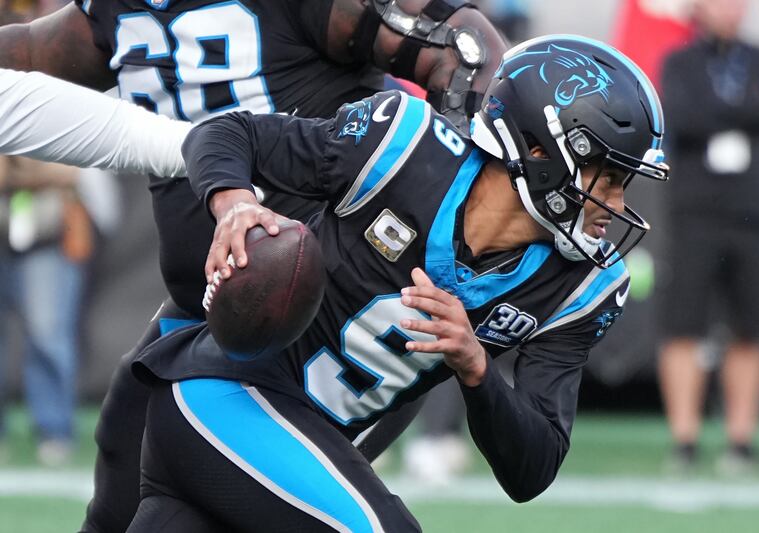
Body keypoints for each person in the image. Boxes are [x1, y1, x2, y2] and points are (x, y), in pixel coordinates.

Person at [124, 35, 668, 531]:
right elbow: (227, 133)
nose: (616, 206)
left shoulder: (584, 288)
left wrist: (478, 371)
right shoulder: (401, 146)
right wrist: (235, 204)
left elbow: (533, 469)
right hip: (221, 398)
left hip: (299, 449)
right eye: (610, 176)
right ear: (540, 154)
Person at [0, 1, 506, 530]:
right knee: (126, 454)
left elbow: (459, 45)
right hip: (213, 304)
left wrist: (449, 182)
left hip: (331, 330)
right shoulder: (115, 10)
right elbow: (32, 51)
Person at [657, 0, 759, 473]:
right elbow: (681, 116)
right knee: (684, 325)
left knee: (749, 327)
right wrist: (743, 110)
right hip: (696, 211)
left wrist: (722, 110)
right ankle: (684, 440)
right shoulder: (679, 61)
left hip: (754, 212)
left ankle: (740, 440)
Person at [0, 155, 92, 465]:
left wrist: (18, 169)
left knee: (48, 332)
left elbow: (71, 170)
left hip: (48, 230)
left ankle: (54, 429)